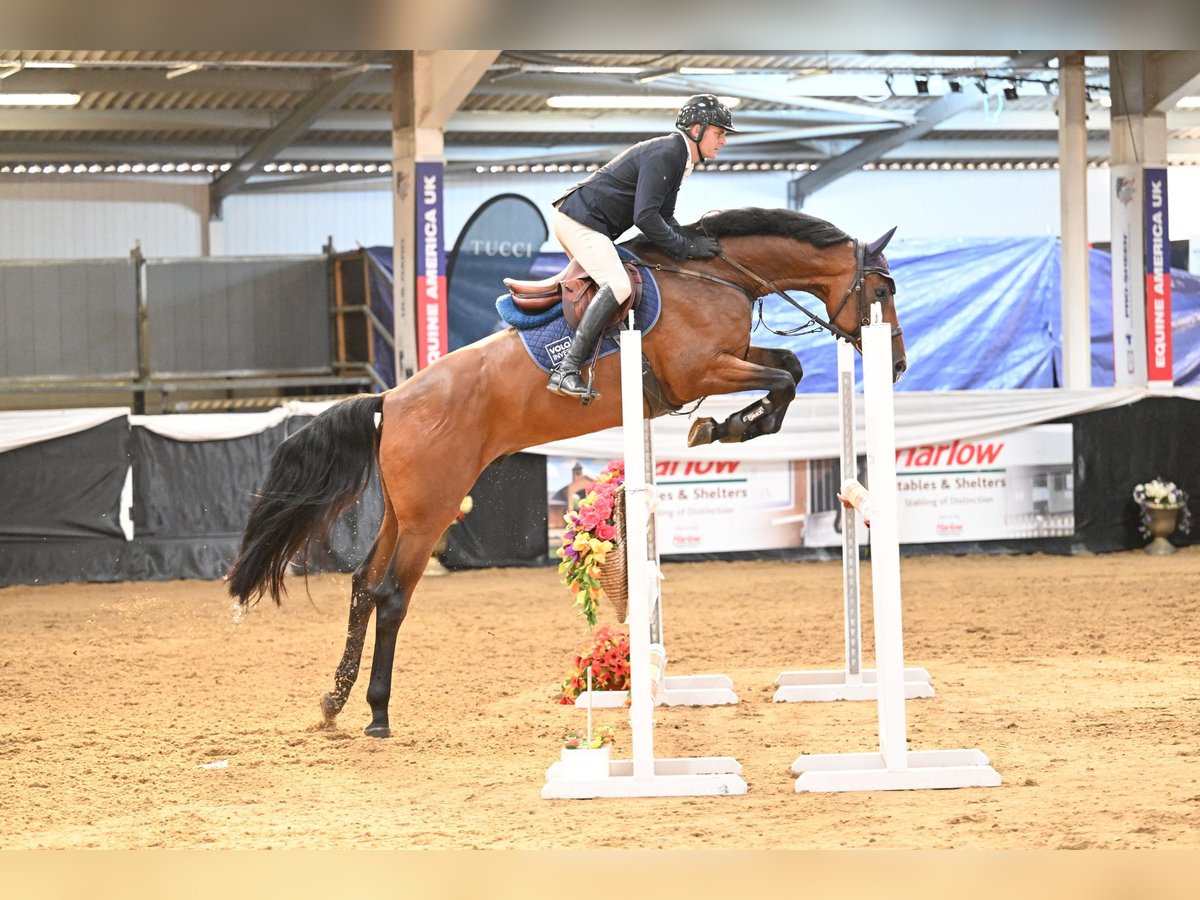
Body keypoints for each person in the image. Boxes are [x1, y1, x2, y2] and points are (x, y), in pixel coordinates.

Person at [546, 93, 737, 401]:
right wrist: (685, 249)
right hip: (580, 221)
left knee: (620, 285)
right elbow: (645, 217)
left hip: (588, 222)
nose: (724, 141)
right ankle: (565, 369)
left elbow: (664, 216)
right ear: (697, 130)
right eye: (720, 132)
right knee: (619, 285)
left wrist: (692, 242)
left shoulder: (678, 158)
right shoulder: (668, 154)